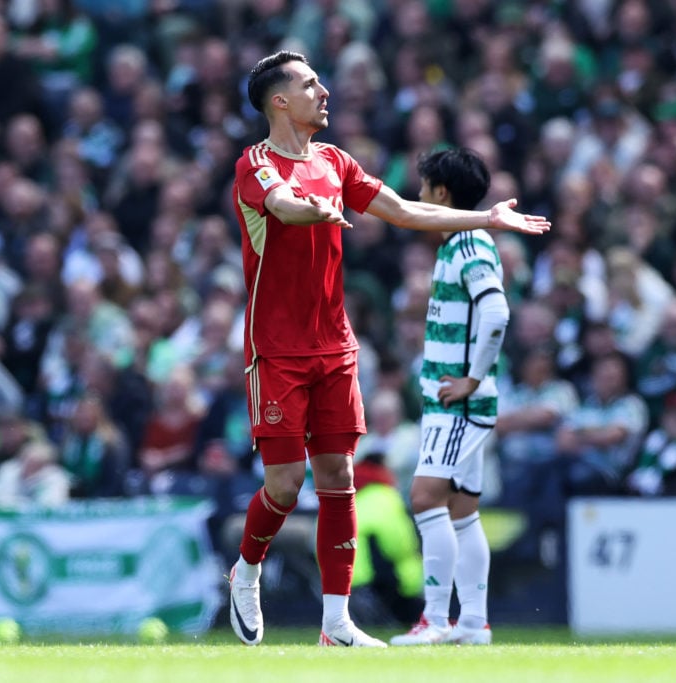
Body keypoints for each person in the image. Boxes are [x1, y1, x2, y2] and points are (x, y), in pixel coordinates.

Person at [227, 51, 550, 649]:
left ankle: (336, 623)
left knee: (339, 476)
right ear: (279, 101)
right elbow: (282, 205)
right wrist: (311, 211)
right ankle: (246, 571)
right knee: (285, 485)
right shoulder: (256, 164)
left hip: (334, 346)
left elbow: (402, 210)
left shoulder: (335, 161)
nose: (324, 91)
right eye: (310, 84)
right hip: (277, 350)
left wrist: (484, 219)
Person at [388, 148, 509, 646]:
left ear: (441, 194)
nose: (417, 196)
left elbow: (497, 312)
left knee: (424, 498)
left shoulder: (468, 245)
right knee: (463, 511)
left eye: (423, 188)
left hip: (456, 403)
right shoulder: (459, 243)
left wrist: (471, 380)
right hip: (456, 401)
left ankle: (435, 620)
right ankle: (474, 624)